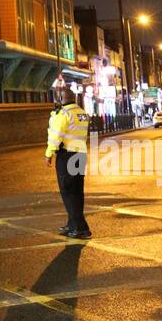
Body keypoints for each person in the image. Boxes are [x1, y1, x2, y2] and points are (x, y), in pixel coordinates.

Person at [45, 89, 91, 239]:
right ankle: (72, 224)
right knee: (77, 190)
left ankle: (80, 228)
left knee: (68, 191)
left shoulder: (64, 114)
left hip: (67, 155)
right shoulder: (82, 113)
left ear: (60, 98)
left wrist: (49, 153)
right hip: (80, 154)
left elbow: (55, 135)